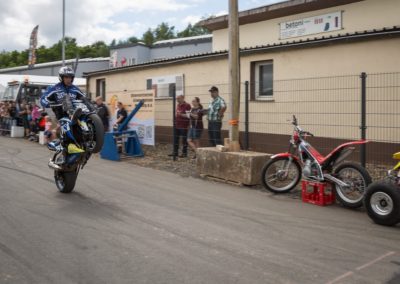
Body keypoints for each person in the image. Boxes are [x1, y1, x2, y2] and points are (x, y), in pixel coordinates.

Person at [40, 66, 89, 166]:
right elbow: (43, 98)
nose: (68, 79)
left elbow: (84, 99)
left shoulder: (75, 89)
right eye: (66, 77)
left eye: (70, 77)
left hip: (77, 114)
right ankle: (63, 144)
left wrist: (91, 107)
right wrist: (48, 103)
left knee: (86, 114)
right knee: (66, 100)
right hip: (61, 114)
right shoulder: (54, 88)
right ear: (61, 78)